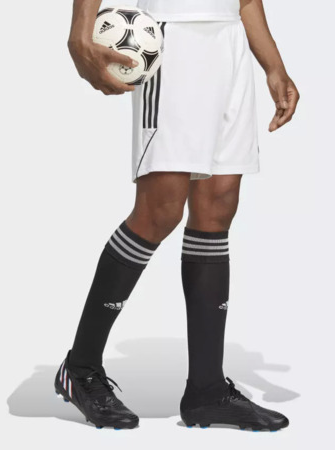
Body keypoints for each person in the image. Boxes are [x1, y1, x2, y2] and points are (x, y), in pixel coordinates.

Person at [54, 0, 300, 431]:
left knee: (218, 205)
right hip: (171, 37)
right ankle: (80, 367)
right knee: (159, 210)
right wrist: (80, 32)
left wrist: (273, 66)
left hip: (229, 38)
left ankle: (207, 390)